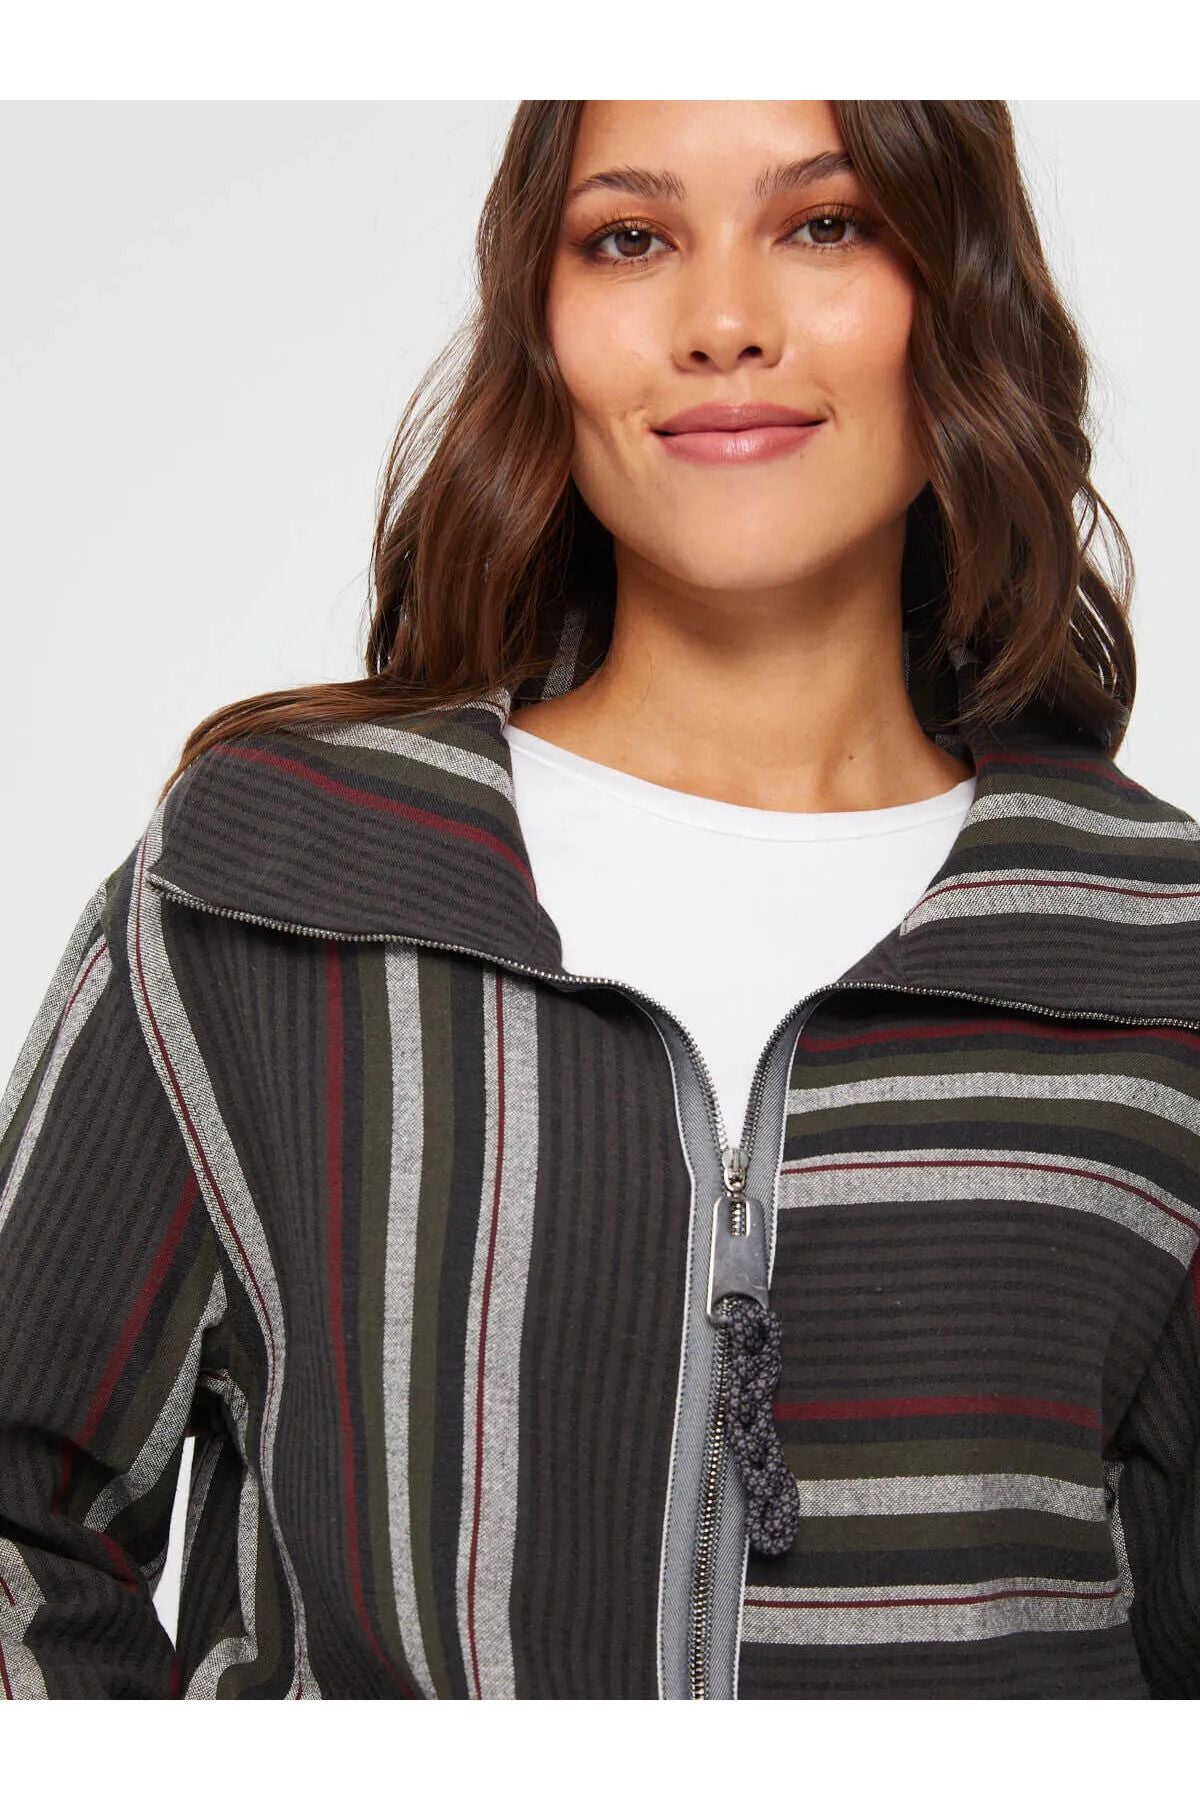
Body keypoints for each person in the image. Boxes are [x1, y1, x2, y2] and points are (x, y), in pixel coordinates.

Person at [2, 98, 1198, 1702]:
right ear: (543, 324)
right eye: (630, 238)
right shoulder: (274, 884)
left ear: (959, 293)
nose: (723, 321)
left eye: (825, 224)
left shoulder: (1150, 950)